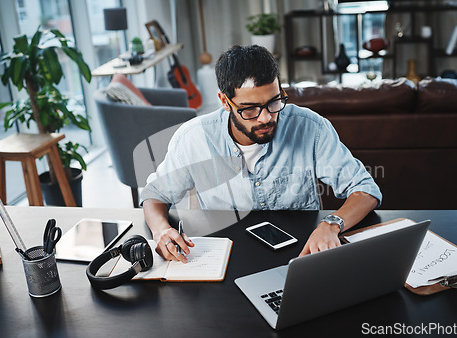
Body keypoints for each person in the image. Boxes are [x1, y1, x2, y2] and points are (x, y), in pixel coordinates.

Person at [141, 45, 382, 263]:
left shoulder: (311, 127)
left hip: (300, 257)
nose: (266, 117)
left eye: (274, 102)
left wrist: (332, 224)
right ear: (225, 102)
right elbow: (154, 195)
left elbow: (365, 190)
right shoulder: (193, 138)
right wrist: (161, 229)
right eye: (250, 109)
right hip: (225, 261)